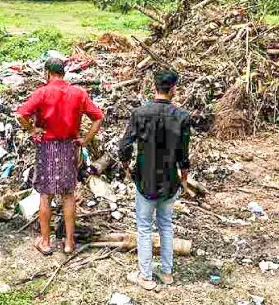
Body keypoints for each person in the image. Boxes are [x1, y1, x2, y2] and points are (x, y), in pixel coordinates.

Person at [17, 57, 104, 255]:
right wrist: (86, 140)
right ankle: (69, 243)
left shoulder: (42, 92)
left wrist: (33, 129)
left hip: (47, 148)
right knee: (68, 195)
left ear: (47, 72)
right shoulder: (78, 93)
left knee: (45, 195)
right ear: (64, 72)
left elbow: (21, 115)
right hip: (69, 147)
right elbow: (98, 117)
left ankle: (46, 242)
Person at [119, 70, 190, 290]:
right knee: (166, 225)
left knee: (144, 227)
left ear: (155, 88)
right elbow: (183, 154)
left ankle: (146, 276)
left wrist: (126, 166)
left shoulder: (140, 113)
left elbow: (124, 145)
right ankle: (167, 273)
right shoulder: (182, 117)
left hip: (145, 179)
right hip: (170, 180)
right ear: (173, 89)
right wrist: (184, 179)